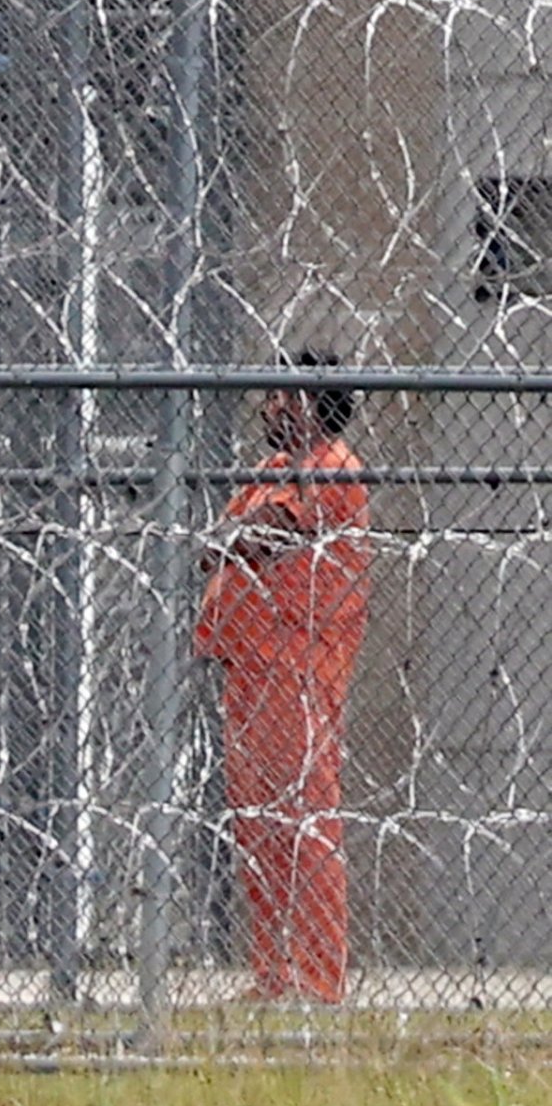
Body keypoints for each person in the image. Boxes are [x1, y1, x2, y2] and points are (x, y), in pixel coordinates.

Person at [196, 353, 370, 1005]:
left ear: (312, 405)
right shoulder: (271, 473)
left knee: (306, 824)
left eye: (281, 395)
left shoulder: (336, 469)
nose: (269, 406)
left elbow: (266, 532)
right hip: (248, 663)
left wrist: (243, 533)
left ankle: (319, 977)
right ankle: (274, 972)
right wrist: (241, 533)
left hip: (298, 665)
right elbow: (218, 540)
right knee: (259, 827)